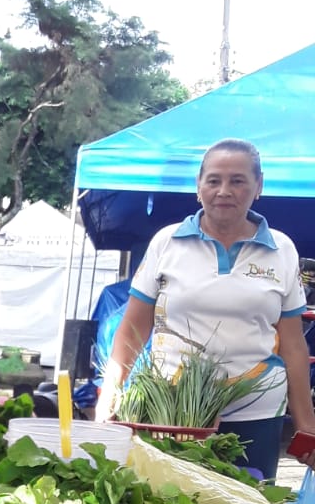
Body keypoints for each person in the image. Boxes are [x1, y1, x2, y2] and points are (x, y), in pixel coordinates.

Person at [95, 138, 315, 479]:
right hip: (173, 409)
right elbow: (132, 331)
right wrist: (109, 395)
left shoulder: (281, 249)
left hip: (255, 410)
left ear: (259, 186)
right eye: (213, 180)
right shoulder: (167, 242)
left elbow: (293, 345)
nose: (224, 190)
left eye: (238, 180)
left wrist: (306, 424)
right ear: (199, 188)